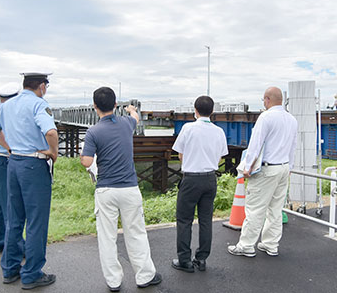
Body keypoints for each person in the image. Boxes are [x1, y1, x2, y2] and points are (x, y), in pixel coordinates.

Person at [80, 87, 162, 292]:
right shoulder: (127, 123)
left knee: (107, 237)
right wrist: (131, 109)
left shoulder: (93, 132)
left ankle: (114, 281)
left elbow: (87, 161)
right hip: (129, 188)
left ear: (94, 106)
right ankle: (144, 276)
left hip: (106, 190)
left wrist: (86, 155)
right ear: (115, 105)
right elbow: (135, 117)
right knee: (136, 232)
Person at [0, 72, 58, 290]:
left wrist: (9, 147)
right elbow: (51, 131)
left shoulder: (7, 105)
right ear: (41, 86)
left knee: (14, 218)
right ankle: (31, 273)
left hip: (14, 163)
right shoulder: (39, 104)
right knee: (36, 221)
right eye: (46, 85)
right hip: (33, 164)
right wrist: (53, 153)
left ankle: (10, 269)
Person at [228, 87, 298, 257]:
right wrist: (290, 167)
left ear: (267, 99)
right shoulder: (291, 119)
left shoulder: (266, 117)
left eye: (263, 100)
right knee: (275, 209)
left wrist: (247, 167)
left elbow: (256, 144)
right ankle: (270, 244)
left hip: (267, 169)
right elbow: (293, 146)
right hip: (283, 167)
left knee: (255, 209)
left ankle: (246, 246)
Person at [171, 95, 228, 273]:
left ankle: (184, 260)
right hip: (210, 178)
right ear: (212, 112)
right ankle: (202, 258)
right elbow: (220, 157)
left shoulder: (188, 128)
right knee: (205, 220)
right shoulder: (219, 132)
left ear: (195, 110)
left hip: (191, 179)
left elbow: (180, 154)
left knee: (184, 220)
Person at [0, 82, 20, 253]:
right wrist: (10, 148)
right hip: (2, 161)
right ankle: (16, 248)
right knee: (10, 205)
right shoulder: (3, 112)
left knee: (0, 204)